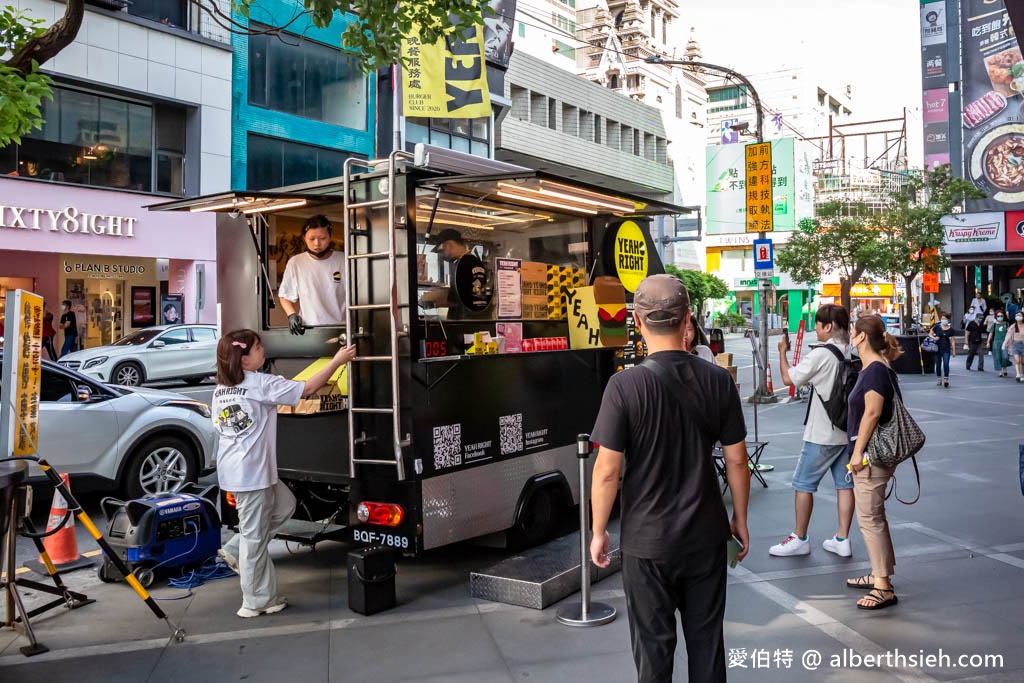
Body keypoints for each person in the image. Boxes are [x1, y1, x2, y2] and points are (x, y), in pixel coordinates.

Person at [589, 274, 750, 683]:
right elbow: (736, 460)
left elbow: (607, 471)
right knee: (707, 646)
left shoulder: (623, 386)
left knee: (653, 654)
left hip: (647, 544)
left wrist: (598, 531)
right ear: (687, 320)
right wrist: (740, 520)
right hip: (705, 538)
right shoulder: (718, 381)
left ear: (638, 324)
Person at [212, 329, 356, 617]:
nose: (263, 350)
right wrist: (337, 360)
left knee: (286, 505)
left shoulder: (222, 387)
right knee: (255, 541)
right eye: (257, 348)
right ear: (244, 359)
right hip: (252, 474)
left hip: (237, 470)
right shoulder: (260, 384)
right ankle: (256, 601)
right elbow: (306, 389)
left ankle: (236, 546)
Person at [773, 304, 855, 558]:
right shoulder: (850, 352)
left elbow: (790, 379)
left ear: (828, 326)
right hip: (846, 431)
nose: (816, 330)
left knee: (803, 484)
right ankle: (842, 539)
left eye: (818, 325)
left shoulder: (821, 354)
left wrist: (782, 353)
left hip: (821, 433)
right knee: (844, 485)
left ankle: (799, 537)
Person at [844, 315, 903, 610]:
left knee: (870, 519)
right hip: (873, 456)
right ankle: (880, 574)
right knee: (874, 517)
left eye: (853, 333)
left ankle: (883, 587)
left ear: (862, 337)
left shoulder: (875, 370)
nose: (851, 338)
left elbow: (872, 412)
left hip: (871, 457)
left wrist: (857, 452)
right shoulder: (877, 366)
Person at [279, 215, 346, 335]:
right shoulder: (296, 262)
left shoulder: (344, 260)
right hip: (309, 329)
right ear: (304, 238)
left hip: (341, 328)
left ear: (330, 237)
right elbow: (285, 295)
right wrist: (291, 315)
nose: (317, 244)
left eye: (322, 238)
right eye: (312, 239)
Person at [929, 316, 956, 387]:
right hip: (937, 349)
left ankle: (946, 379)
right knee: (938, 365)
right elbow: (930, 333)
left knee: (946, 364)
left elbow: (953, 341)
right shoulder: (937, 327)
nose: (943, 320)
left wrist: (954, 351)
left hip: (946, 349)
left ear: (948, 320)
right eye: (942, 319)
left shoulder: (951, 330)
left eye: (945, 319)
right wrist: (934, 337)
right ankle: (939, 379)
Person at [1002, 312, 1024, 382]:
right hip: (1015, 345)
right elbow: (1008, 336)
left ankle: (1022, 374)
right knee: (1017, 361)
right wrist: (1004, 344)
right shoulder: (1013, 326)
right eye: (1017, 315)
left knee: (1023, 362)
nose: (1018, 317)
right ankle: (1017, 374)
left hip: (1023, 344)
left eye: (1020, 315)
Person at [989, 310, 1010, 378]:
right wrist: (988, 342)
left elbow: (1010, 333)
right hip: (996, 342)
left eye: (1001, 316)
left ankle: (1005, 367)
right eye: (998, 316)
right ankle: (1000, 371)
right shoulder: (994, 325)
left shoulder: (1006, 324)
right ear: (996, 316)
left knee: (1005, 356)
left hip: (1005, 342)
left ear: (1004, 316)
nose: (1000, 317)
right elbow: (991, 333)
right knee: (997, 357)